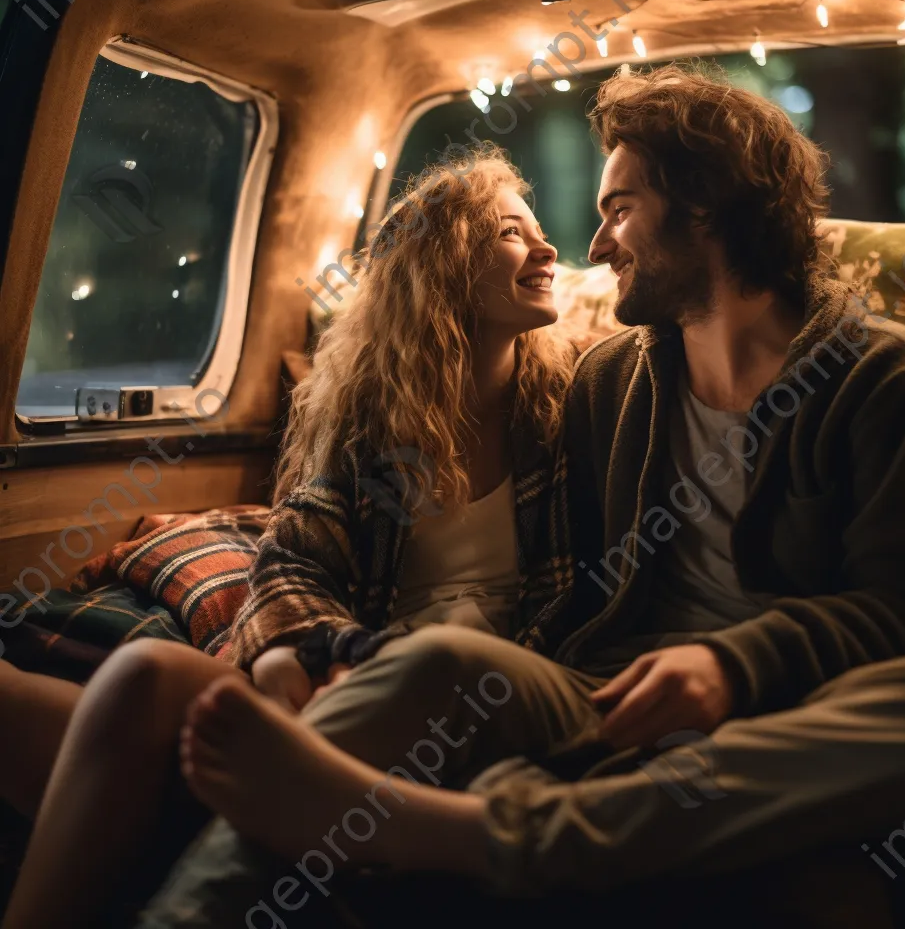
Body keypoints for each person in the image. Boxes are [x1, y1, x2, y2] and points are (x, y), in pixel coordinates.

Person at [131, 61, 905, 928]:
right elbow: (405, 461)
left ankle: (492, 830)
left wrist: (732, 664)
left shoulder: (883, 375)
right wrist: (290, 638)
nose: (593, 247)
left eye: (620, 211)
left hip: (799, 722)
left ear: (706, 207)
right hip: (604, 695)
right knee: (436, 662)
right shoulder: (603, 384)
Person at [0, 145, 578, 929]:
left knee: (133, 771)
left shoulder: (571, 412)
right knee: (140, 676)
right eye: (512, 232)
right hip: (351, 675)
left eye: (539, 232)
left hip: (456, 707)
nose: (547, 250)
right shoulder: (378, 427)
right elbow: (292, 560)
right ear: (441, 269)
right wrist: (305, 653)